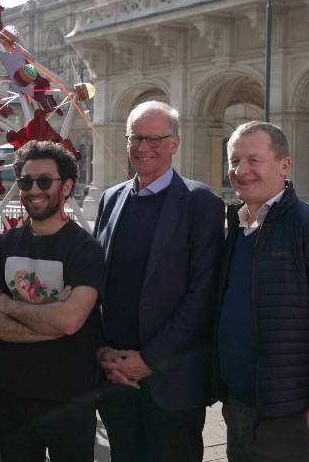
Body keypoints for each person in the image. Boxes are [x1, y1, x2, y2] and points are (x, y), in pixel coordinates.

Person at [215, 121, 309, 462]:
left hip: (291, 416)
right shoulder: (238, 228)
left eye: (254, 160)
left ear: (284, 165)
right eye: (235, 160)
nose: (241, 170)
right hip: (239, 407)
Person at [93, 101, 225, 462]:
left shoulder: (200, 202)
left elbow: (202, 295)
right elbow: (97, 284)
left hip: (170, 381)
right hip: (115, 378)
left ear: (174, 144)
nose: (142, 147)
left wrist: (150, 360)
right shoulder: (111, 198)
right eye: (135, 138)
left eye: (153, 138)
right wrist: (102, 350)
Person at [0, 140, 104, 462]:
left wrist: (6, 304)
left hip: (70, 398)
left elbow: (71, 320)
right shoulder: (3, 245)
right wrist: (51, 320)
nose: (34, 189)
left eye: (45, 181)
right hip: (11, 395)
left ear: (67, 186)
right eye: (26, 182)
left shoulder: (85, 249)